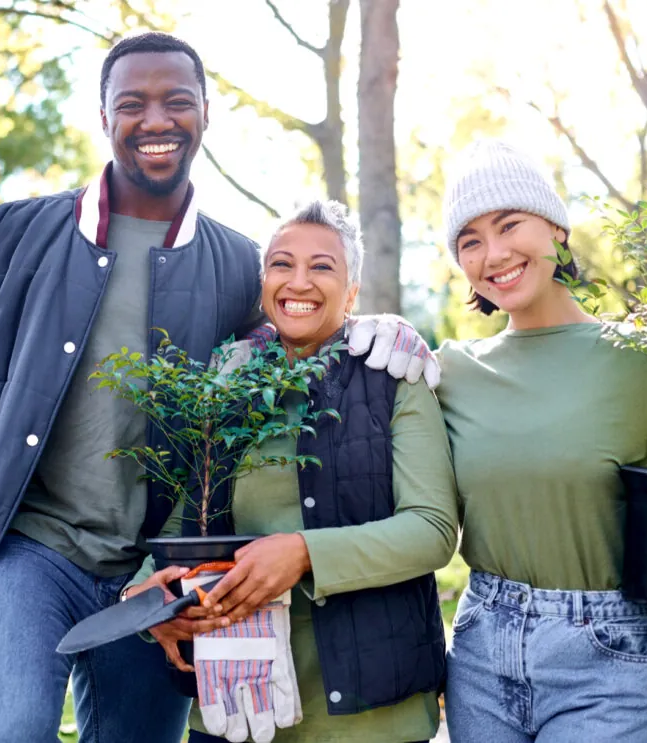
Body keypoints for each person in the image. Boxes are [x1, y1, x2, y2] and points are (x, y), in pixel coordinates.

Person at [0, 33, 437, 743]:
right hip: (31, 549)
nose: (156, 120)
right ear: (104, 115)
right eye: (132, 103)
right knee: (7, 729)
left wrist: (376, 331)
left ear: (205, 114)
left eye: (177, 102)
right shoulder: (20, 238)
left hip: (162, 570)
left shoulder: (242, 263)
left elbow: (297, 327)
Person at [433, 140, 647, 742]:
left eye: (509, 224)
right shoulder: (449, 372)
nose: (493, 253)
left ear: (556, 228)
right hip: (480, 651)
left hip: (611, 656)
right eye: (469, 240)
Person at [128, 200, 458, 743]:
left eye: (322, 267)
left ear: (352, 291)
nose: (298, 281)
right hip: (236, 697)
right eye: (281, 264)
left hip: (369, 715)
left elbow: (432, 529)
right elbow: (189, 520)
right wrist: (147, 599)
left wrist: (304, 553)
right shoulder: (227, 384)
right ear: (264, 286)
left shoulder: (394, 377)